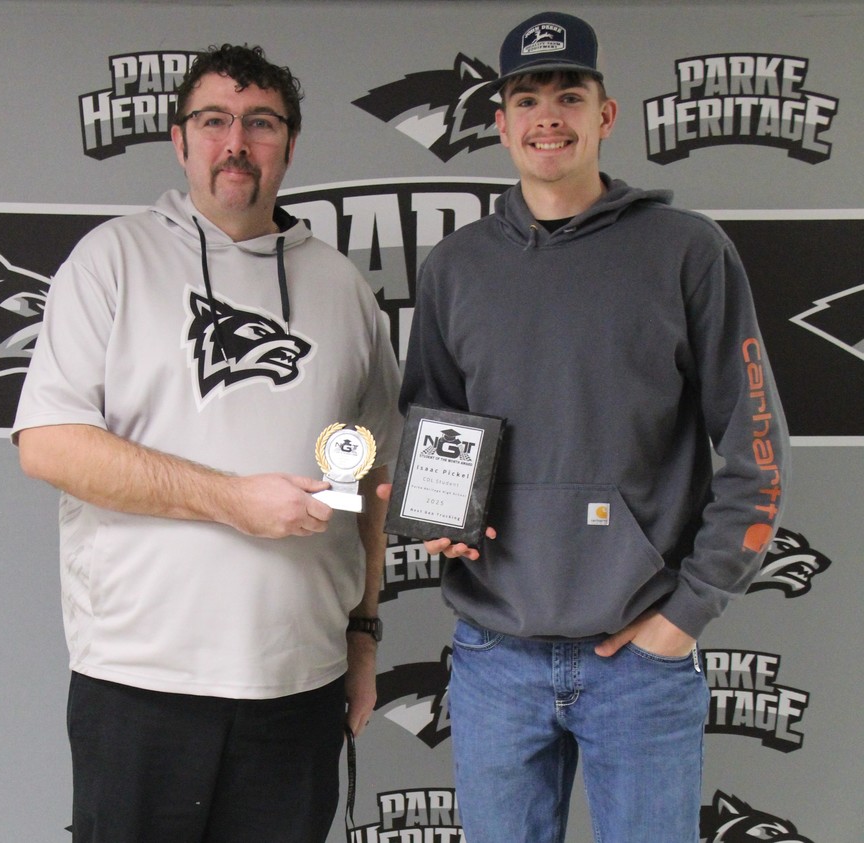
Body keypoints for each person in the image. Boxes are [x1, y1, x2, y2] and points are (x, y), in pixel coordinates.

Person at [395, 11, 789, 842]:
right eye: (527, 97)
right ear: (498, 123)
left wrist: (685, 614)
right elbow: (433, 422)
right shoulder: (456, 267)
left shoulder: (689, 251)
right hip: (495, 655)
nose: (549, 116)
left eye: (569, 94)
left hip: (638, 660)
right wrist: (440, 519)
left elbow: (757, 453)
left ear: (604, 115)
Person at [13, 44, 401, 843]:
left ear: (289, 145)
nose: (236, 143)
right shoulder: (112, 261)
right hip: (141, 684)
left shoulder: (342, 288)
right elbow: (48, 444)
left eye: (261, 124)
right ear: (180, 139)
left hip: (300, 684)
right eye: (214, 120)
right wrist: (231, 500)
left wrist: (362, 638)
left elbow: (370, 482)